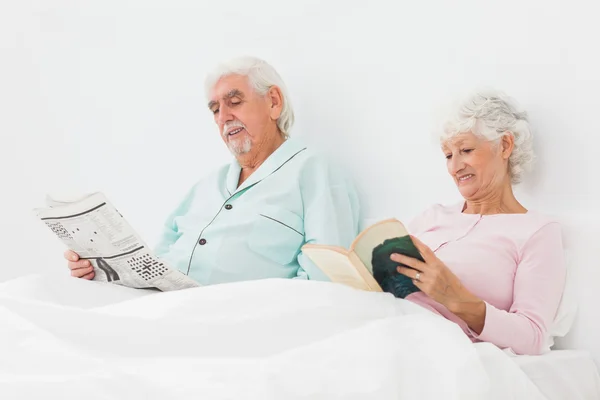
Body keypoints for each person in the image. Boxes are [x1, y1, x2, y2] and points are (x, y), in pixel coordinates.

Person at [65, 56, 360, 284]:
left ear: (273, 102)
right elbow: (157, 266)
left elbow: (328, 280)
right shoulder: (205, 187)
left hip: (235, 326)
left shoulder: (315, 172)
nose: (224, 117)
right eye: (215, 110)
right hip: (163, 310)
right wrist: (101, 269)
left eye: (234, 102)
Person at [392, 88, 566, 355]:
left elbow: (532, 336)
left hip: (433, 347)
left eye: (466, 150)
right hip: (388, 324)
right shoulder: (432, 216)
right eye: (448, 155)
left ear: (505, 146)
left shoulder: (537, 232)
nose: (454, 167)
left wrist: (457, 299)